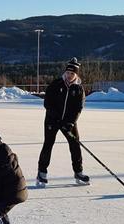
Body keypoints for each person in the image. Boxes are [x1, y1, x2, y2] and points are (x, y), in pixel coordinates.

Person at [35, 58, 88, 188]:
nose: (70, 76)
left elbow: (78, 108)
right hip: (52, 121)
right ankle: (42, 173)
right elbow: (48, 103)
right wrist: (55, 117)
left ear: (76, 75)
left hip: (68, 123)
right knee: (48, 144)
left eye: (72, 74)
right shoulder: (56, 84)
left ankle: (78, 172)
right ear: (65, 73)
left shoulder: (79, 89)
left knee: (75, 144)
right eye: (68, 73)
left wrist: (70, 122)